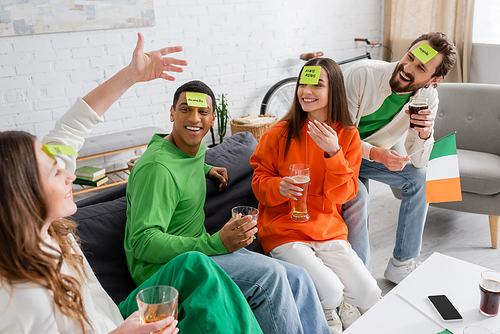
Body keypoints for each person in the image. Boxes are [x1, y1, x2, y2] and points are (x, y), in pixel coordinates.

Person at [0, 33, 264, 334]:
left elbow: (73, 126)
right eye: (54, 172)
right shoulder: (22, 297)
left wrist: (132, 75)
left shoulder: (50, 230)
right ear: (21, 195)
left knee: (200, 272)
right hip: (118, 328)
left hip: (118, 320)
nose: (69, 173)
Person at [124, 80, 331, 334]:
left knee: (299, 278)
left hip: (200, 254)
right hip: (170, 270)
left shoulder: (191, 149)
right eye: (185, 109)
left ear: (213, 118)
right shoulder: (157, 168)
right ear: (171, 113)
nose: (194, 118)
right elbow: (143, 242)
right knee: (271, 277)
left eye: (202, 112)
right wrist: (215, 243)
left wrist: (207, 169)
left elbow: (180, 166)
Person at [249, 57, 381, 333]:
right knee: (331, 291)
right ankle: (329, 310)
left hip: (328, 230)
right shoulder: (277, 134)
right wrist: (278, 187)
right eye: (303, 84)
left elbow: (345, 194)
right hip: (285, 231)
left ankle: (339, 305)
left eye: (316, 85)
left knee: (370, 295)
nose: (306, 91)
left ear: (333, 90)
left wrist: (334, 154)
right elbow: (259, 182)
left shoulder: (347, 136)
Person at [341, 32, 457, 283]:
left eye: (420, 67)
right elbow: (338, 136)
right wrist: (376, 153)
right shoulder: (362, 75)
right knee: (358, 195)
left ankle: (401, 263)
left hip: (368, 158)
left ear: (434, 79)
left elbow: (419, 161)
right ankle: (360, 281)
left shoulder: (427, 97)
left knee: (420, 177)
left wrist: (425, 134)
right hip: (333, 155)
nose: (407, 68)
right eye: (409, 56)